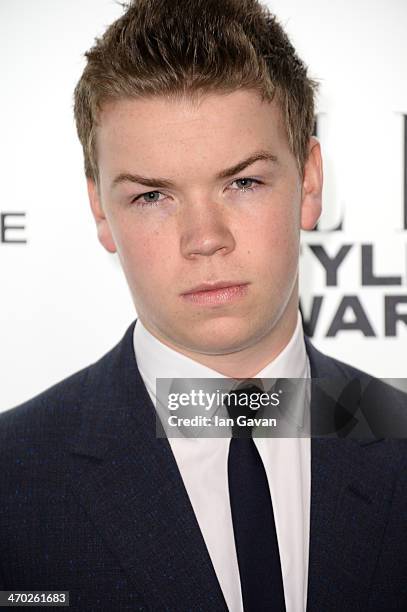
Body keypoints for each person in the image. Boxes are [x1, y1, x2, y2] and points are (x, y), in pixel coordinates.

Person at [0, 1, 406, 610]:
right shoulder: (12, 477)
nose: (205, 238)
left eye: (243, 182)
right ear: (101, 211)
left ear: (310, 183)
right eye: (153, 196)